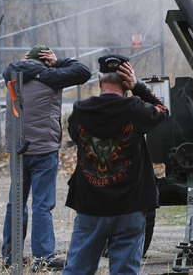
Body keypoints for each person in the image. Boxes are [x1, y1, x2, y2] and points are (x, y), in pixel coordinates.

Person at [63, 54, 169, 274]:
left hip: (90, 204)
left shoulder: (79, 112)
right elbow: (162, 109)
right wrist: (139, 87)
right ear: (125, 83)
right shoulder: (137, 109)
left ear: (100, 80)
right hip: (129, 205)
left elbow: (75, 136)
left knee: (77, 271)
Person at [1, 45, 91, 270]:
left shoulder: (13, 75)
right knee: (42, 205)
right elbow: (83, 72)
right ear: (44, 60)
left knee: (16, 203)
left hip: (18, 149)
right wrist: (58, 61)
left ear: (27, 60)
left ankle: (10, 256)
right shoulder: (50, 76)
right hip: (43, 150)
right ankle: (42, 259)